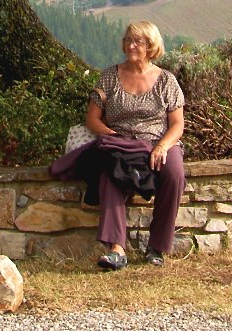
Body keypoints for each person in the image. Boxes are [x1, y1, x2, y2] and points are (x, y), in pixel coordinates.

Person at [50, 20, 185, 270]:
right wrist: (112, 136)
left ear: (151, 46)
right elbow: (92, 119)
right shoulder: (109, 76)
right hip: (120, 142)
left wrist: (162, 147)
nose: (131, 45)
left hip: (158, 141)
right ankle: (116, 249)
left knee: (175, 174)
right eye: (128, 40)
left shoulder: (167, 81)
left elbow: (177, 124)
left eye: (138, 41)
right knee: (109, 170)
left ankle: (157, 247)